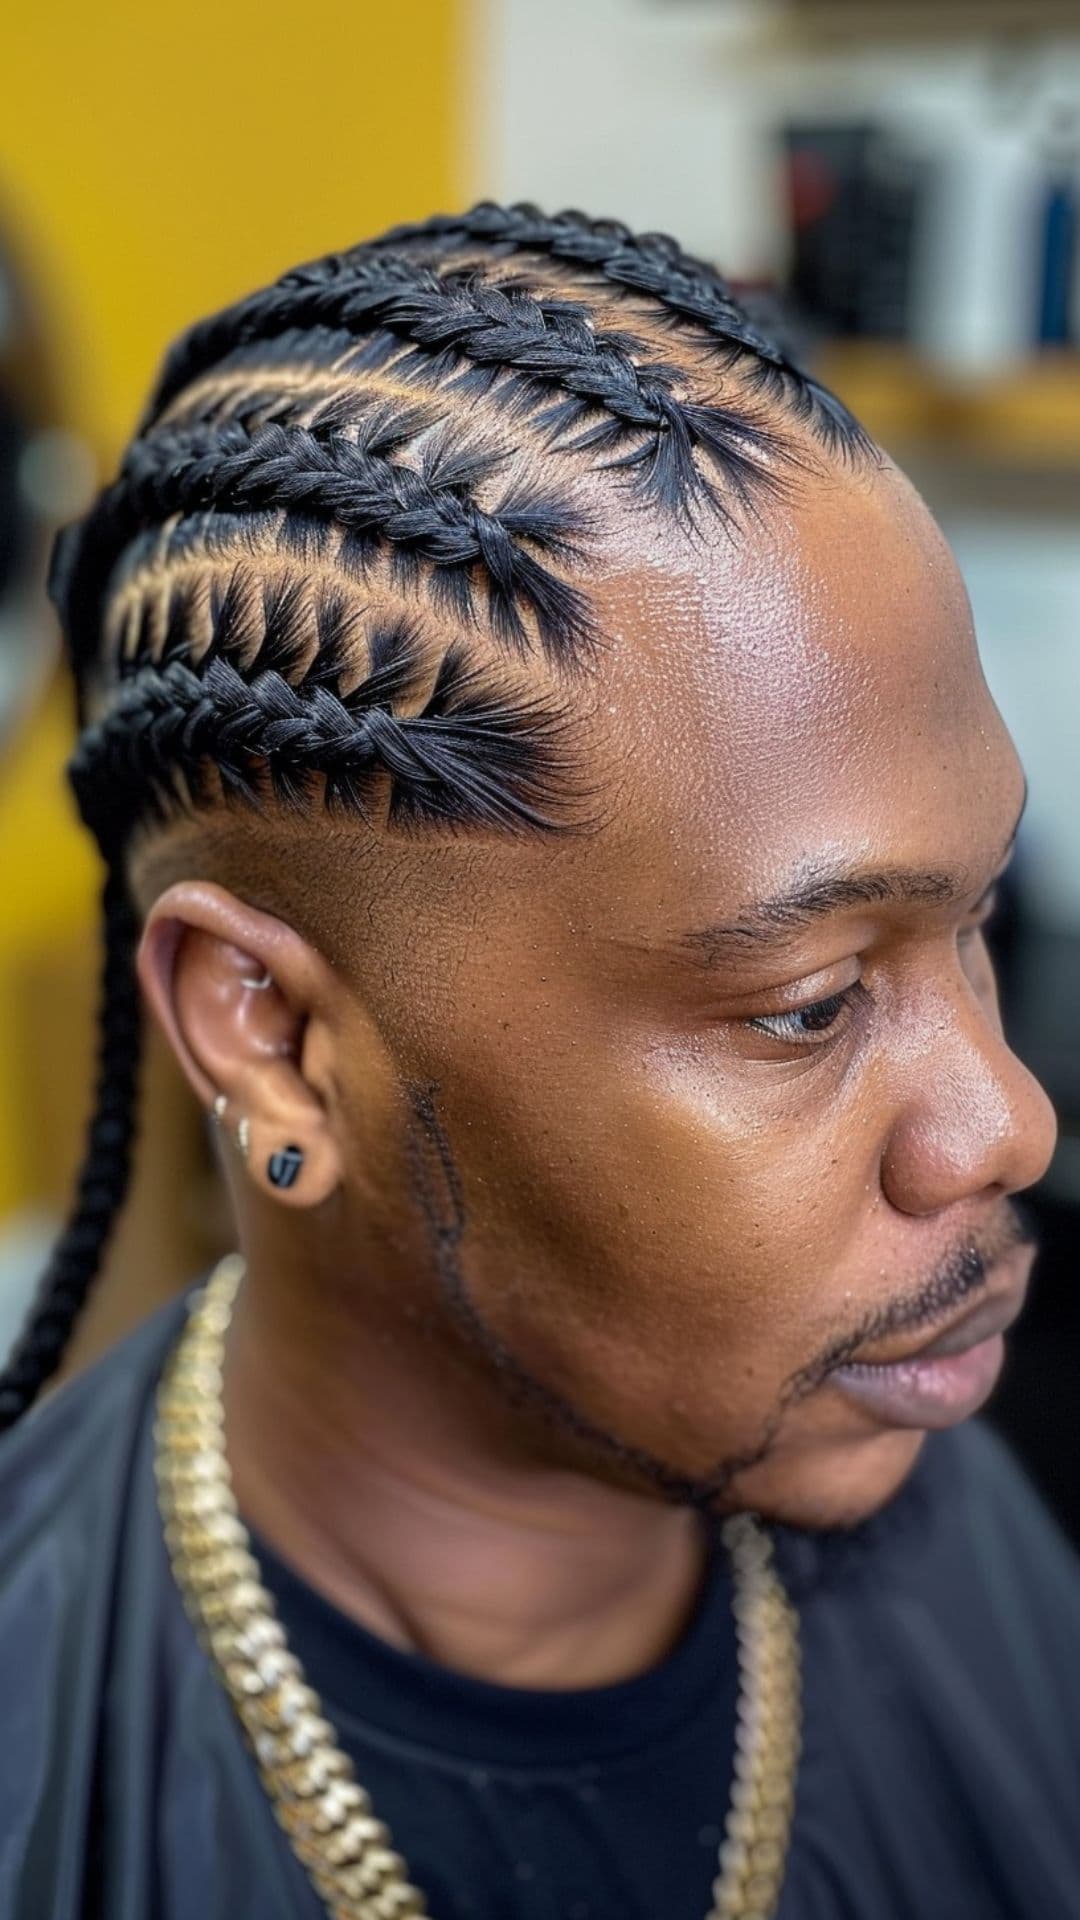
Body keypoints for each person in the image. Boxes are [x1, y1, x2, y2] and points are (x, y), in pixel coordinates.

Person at [0, 202, 1077, 1920]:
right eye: (806, 1002)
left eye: (975, 920)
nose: (1004, 1125)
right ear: (271, 1039)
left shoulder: (972, 1548)